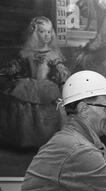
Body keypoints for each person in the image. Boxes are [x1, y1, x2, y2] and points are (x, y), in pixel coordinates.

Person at [0, 16, 70, 150]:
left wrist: (62, 73)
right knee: (24, 107)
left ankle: (49, 140)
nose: (46, 35)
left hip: (46, 86)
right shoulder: (27, 53)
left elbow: (59, 68)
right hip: (29, 85)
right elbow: (17, 66)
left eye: (49, 32)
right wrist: (9, 70)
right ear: (34, 33)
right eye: (42, 31)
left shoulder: (53, 54)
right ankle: (27, 140)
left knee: (50, 107)